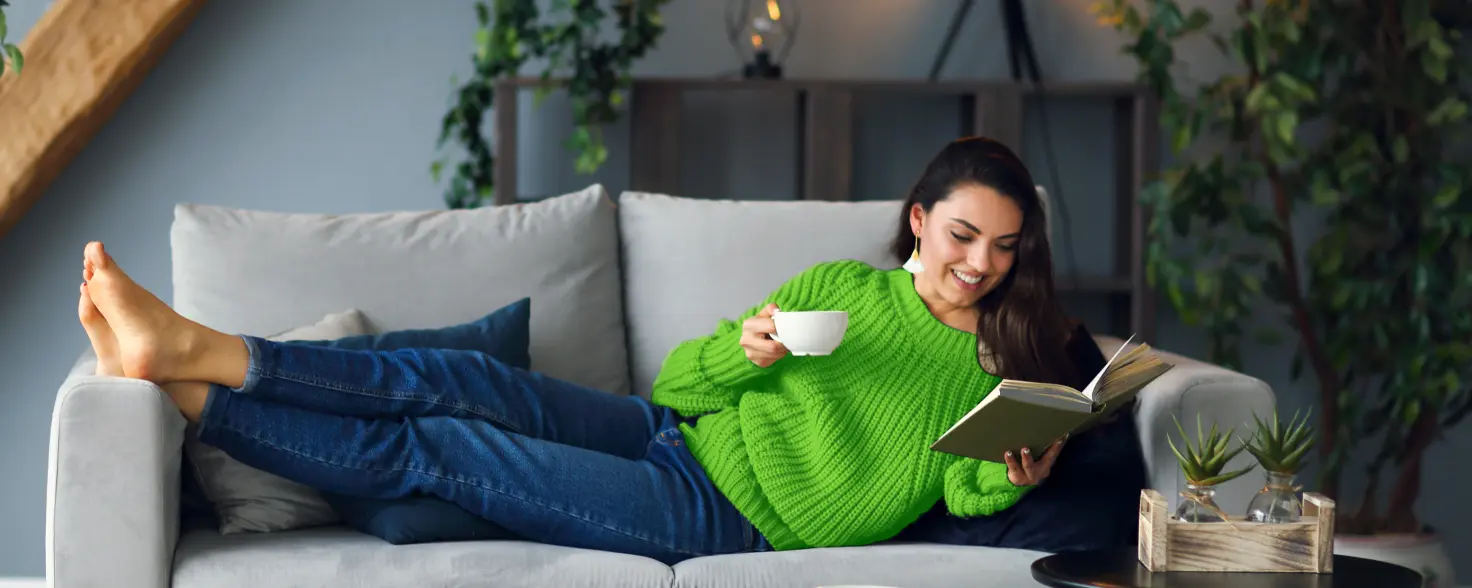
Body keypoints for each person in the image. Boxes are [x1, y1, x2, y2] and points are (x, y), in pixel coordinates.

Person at [76, 136, 1083, 565]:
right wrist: (749, 350)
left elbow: (954, 498)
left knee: (444, 449)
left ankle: (190, 389)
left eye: (1002, 246)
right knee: (462, 379)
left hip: (721, 519)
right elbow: (682, 381)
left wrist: (1012, 472)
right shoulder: (838, 289)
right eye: (961, 236)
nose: (978, 264)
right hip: (673, 434)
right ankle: (196, 348)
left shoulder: (994, 361)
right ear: (917, 220)